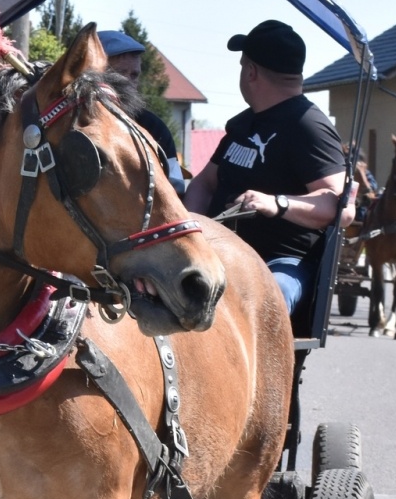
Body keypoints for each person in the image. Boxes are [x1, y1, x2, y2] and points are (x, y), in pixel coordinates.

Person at [184, 19, 352, 314]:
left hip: (280, 261)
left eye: (241, 65)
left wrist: (277, 203)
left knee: (264, 305)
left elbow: (341, 206)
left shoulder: (308, 125)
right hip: (216, 248)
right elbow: (204, 184)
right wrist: (188, 229)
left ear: (250, 72)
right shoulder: (243, 124)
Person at [98, 30, 186, 194]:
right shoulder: (72, 123)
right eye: (120, 74)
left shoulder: (153, 128)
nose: (128, 82)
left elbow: (176, 188)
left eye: (134, 75)